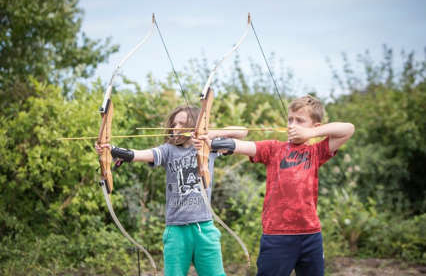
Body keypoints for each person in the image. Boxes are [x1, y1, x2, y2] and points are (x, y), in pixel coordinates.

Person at [193, 95, 355, 276]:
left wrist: (309, 134)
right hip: (277, 235)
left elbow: (348, 129)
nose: (292, 125)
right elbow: (242, 146)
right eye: (290, 119)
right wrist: (210, 140)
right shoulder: (274, 149)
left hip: (311, 235)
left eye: (300, 121)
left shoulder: (316, 152)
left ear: (315, 127)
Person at [95, 105, 247, 276]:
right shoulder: (168, 150)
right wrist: (112, 150)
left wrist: (209, 135)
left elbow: (242, 131)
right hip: (176, 231)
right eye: (174, 124)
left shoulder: (208, 147)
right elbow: (138, 154)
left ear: (194, 125)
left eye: (182, 124)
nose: (176, 128)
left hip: (204, 228)